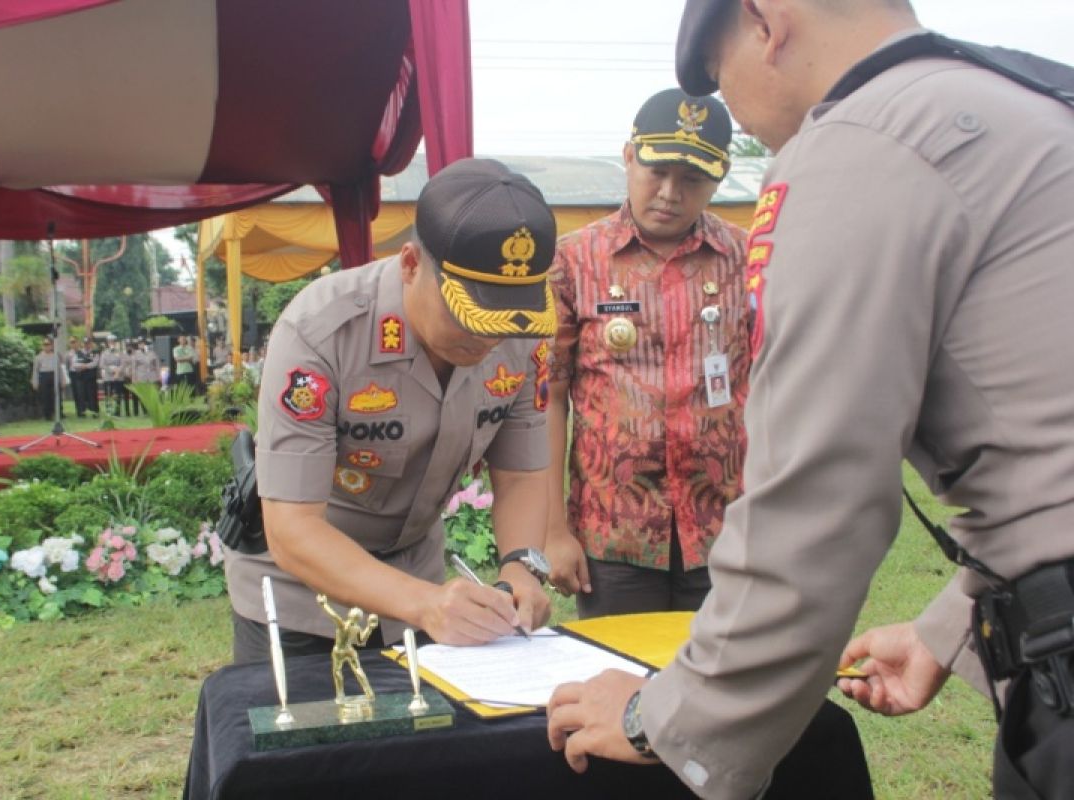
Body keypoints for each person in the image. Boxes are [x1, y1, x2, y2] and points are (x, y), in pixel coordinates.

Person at [546, 2, 1074, 798]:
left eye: (723, 79)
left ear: (765, 22)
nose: (745, 117)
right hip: (625, 528)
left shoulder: (860, 143)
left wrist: (663, 717)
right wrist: (951, 626)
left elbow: (821, 490)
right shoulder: (1029, 107)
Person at [225, 157, 557, 664]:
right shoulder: (321, 332)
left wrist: (519, 568)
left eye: (506, 319)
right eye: (470, 314)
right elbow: (294, 530)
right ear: (409, 264)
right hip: (302, 599)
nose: (489, 338)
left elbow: (521, 477)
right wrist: (424, 604)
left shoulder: (518, 339)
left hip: (418, 583)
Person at [543, 89, 750, 617]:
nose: (669, 193)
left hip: (728, 530)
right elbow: (548, 399)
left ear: (720, 176)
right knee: (620, 684)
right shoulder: (573, 262)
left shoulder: (749, 260)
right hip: (616, 534)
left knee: (726, 691)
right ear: (629, 155)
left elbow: (782, 384)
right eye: (656, 171)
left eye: (693, 180)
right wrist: (552, 529)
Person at [30, 338, 66, 421]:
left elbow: (59, 368)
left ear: (52, 345)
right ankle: (47, 415)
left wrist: (62, 379)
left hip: (54, 374)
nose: (46, 346)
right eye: (44, 345)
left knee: (57, 395)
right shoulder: (38, 357)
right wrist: (35, 381)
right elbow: (35, 370)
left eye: (48, 344)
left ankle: (59, 413)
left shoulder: (56, 355)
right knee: (46, 396)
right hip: (44, 375)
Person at [67, 337, 100, 418]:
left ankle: (94, 411)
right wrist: (82, 366)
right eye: (85, 343)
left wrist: (86, 366)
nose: (87, 345)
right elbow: (74, 363)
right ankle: (82, 412)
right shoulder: (78, 353)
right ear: (83, 344)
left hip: (91, 376)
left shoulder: (95, 352)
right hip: (81, 377)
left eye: (88, 343)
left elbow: (95, 363)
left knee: (92, 394)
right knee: (81, 394)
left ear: (91, 344)